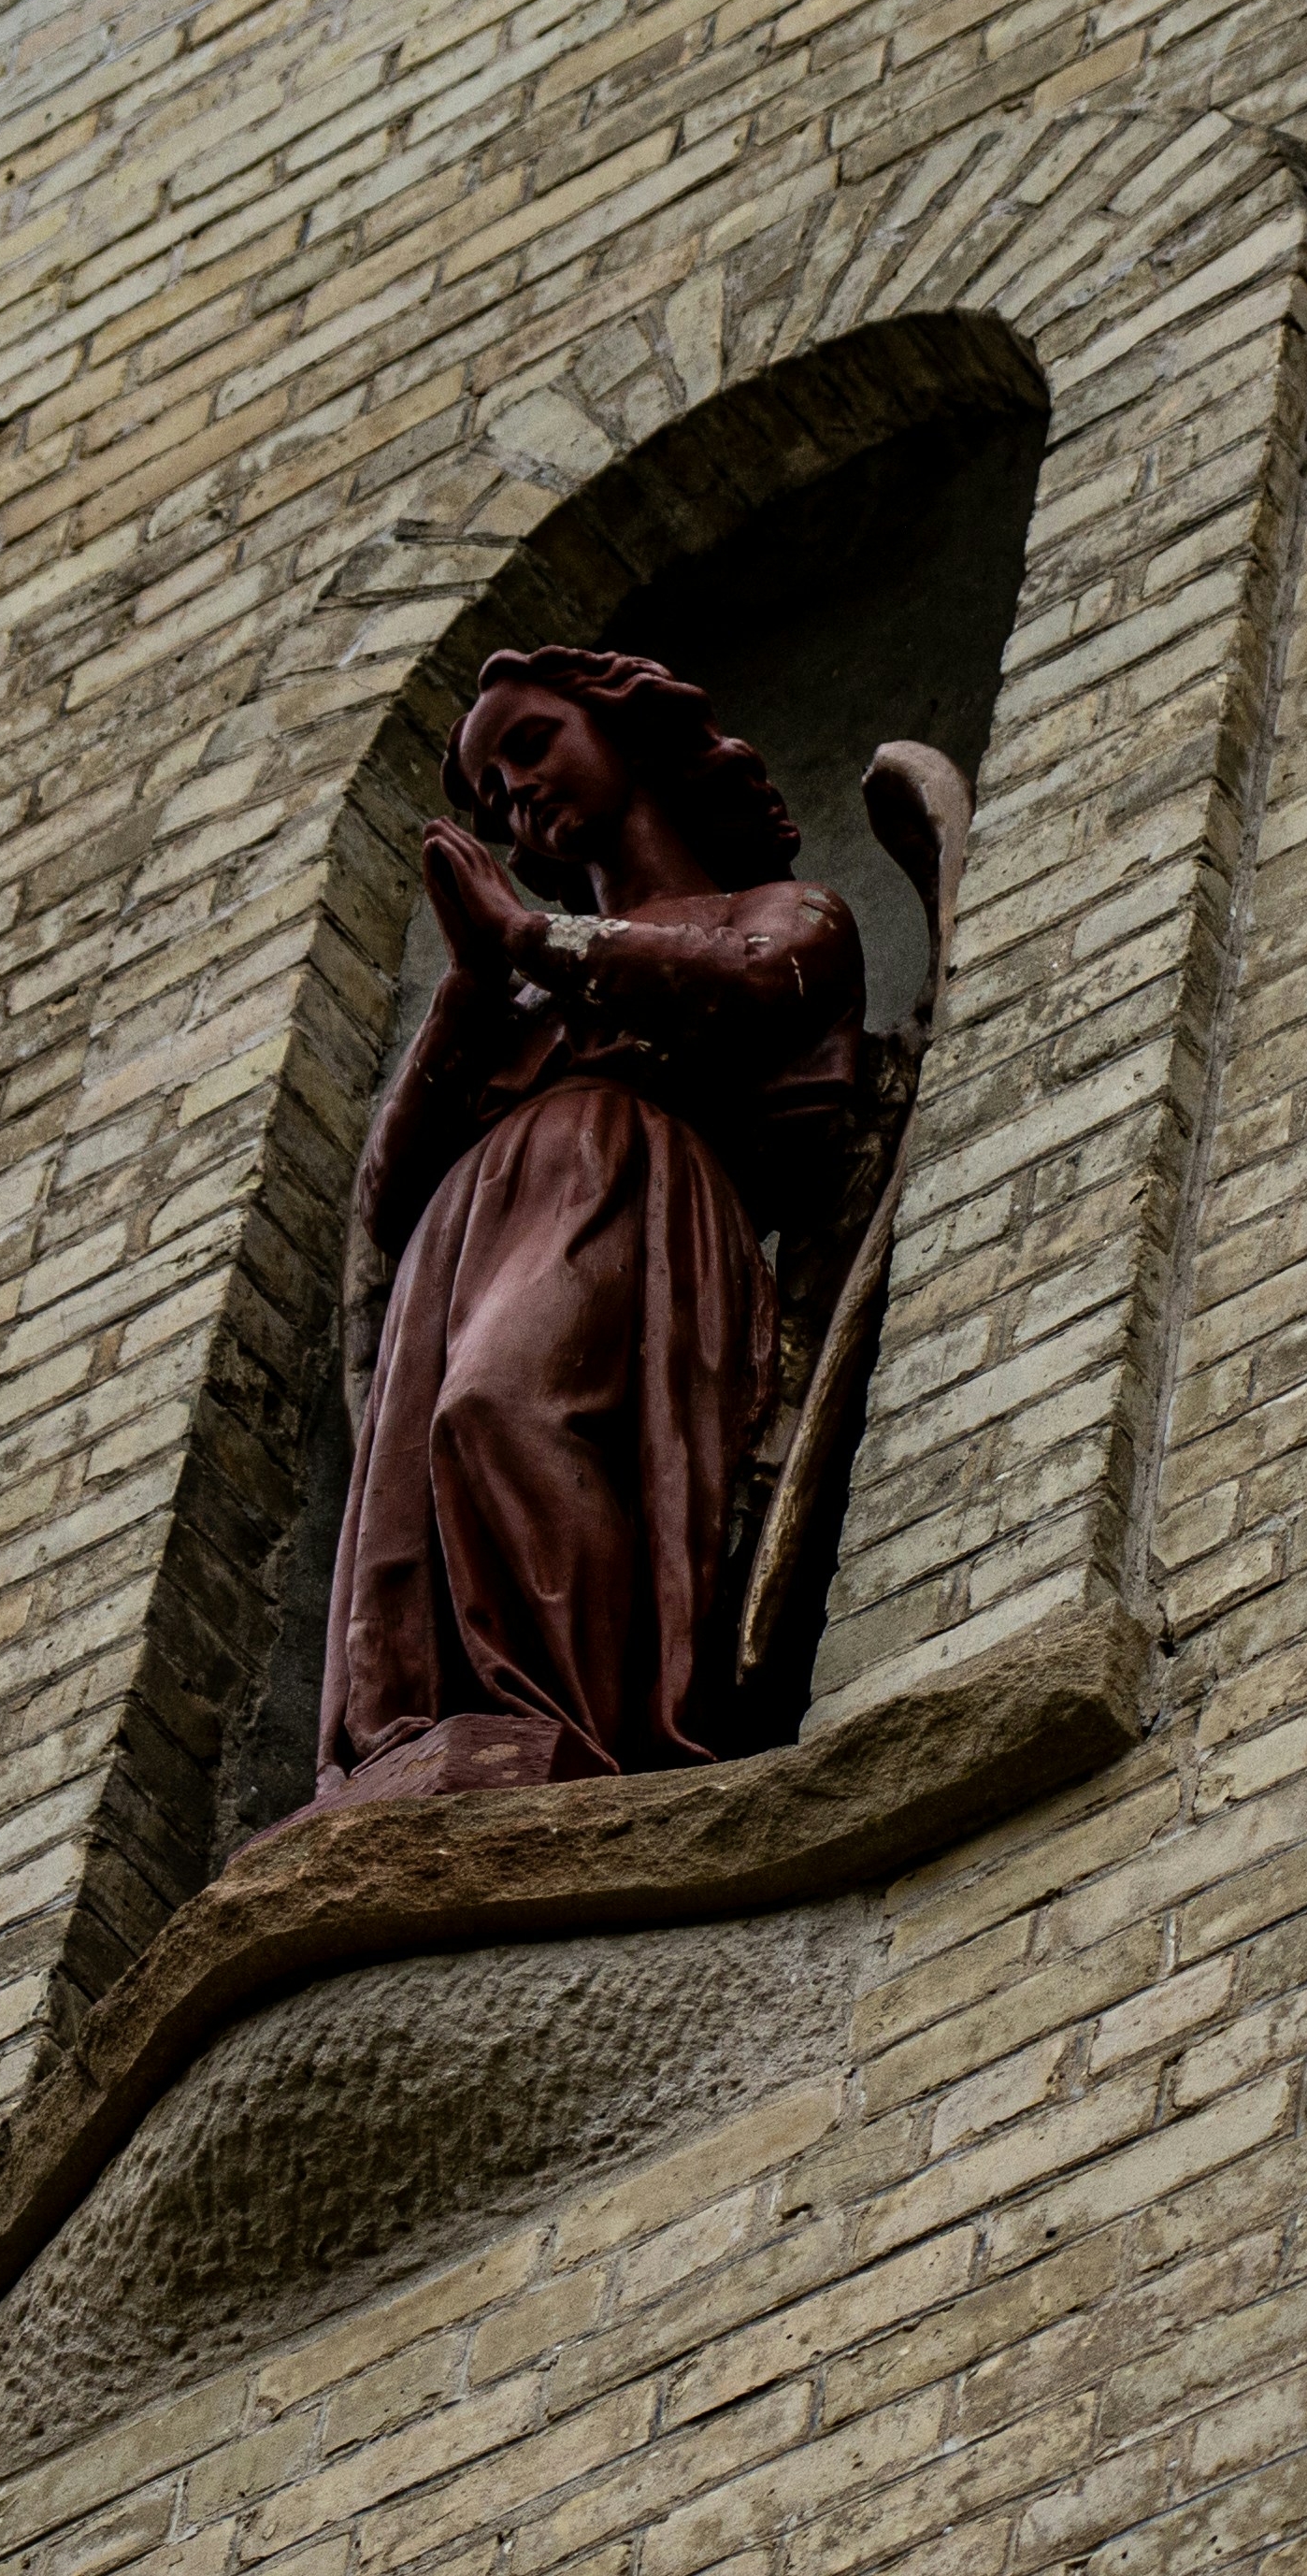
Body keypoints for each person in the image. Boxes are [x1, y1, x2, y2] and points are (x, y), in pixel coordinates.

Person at [316, 645, 867, 1803]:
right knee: (417, 1486)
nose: (518, 793)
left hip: (625, 1192)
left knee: (499, 1410)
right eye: (492, 791)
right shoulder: (506, 996)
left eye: (531, 746)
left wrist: (528, 940)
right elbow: (384, 1188)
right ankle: (413, 1736)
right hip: (466, 1239)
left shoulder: (769, 908)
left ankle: (569, 1728)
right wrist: (471, 984)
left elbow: (759, 981)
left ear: (627, 733)